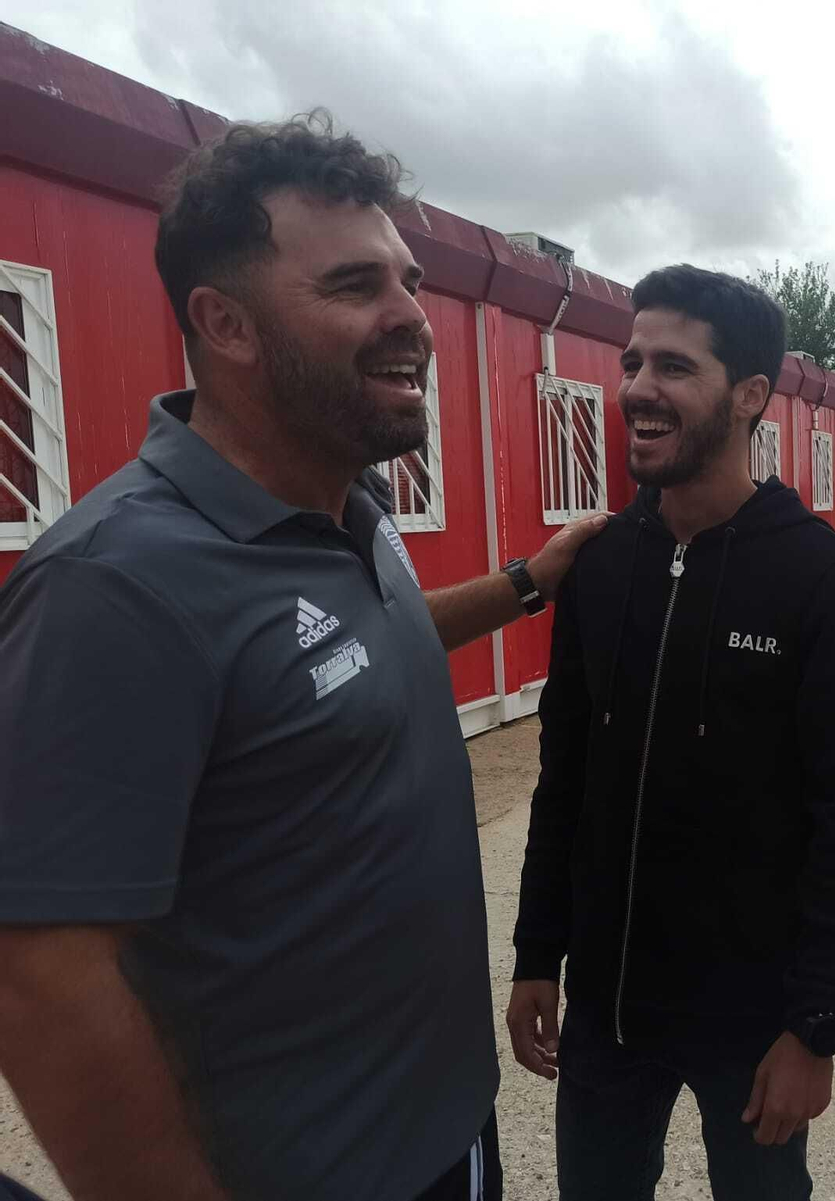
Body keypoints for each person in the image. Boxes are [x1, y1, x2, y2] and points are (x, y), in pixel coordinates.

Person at [0, 116, 604, 1201]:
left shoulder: (346, 504)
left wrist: (528, 580)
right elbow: (40, 976)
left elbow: (356, 654)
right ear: (223, 322)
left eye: (410, 280)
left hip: (445, 1126)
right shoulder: (118, 585)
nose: (413, 319)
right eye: (353, 285)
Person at [506, 265, 835, 1199]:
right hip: (609, 1011)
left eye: (674, 366)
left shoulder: (821, 576)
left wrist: (816, 1026)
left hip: (755, 1022)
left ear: (751, 395)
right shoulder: (598, 569)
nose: (637, 386)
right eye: (632, 360)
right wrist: (534, 956)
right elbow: (565, 779)